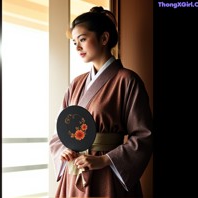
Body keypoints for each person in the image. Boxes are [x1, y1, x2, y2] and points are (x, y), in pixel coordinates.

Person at [49, 6, 153, 198]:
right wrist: (65, 151)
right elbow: (60, 130)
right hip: (75, 170)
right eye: (74, 42)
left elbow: (144, 135)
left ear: (104, 39)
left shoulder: (127, 80)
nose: (78, 47)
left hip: (107, 173)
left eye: (82, 39)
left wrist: (106, 160)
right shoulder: (76, 83)